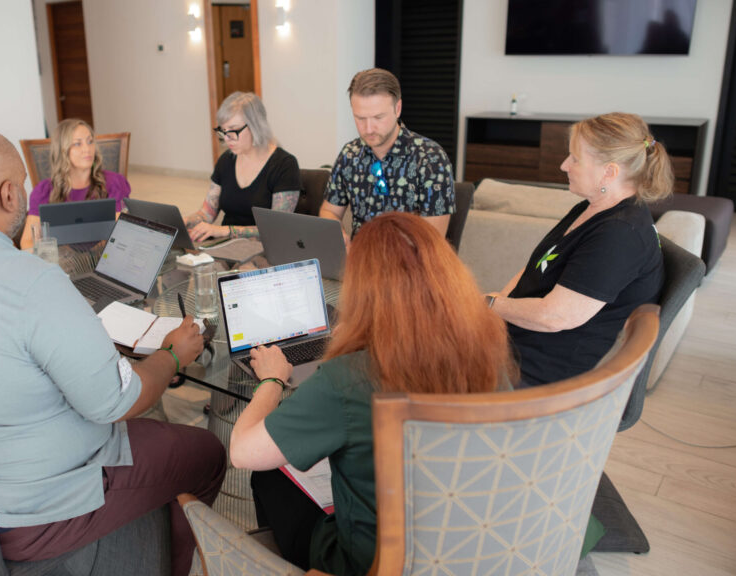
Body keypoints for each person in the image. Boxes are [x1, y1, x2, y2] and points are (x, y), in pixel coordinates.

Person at [0, 127, 226, 576]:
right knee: (207, 452)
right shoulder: (29, 280)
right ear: (6, 194)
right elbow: (117, 403)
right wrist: (173, 355)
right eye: (20, 187)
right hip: (43, 507)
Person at [229, 212, 514, 575]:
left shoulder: (347, 378)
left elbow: (241, 452)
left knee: (269, 473)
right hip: (466, 545)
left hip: (372, 563)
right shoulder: (488, 353)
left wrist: (271, 380)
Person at [487, 112, 670, 386]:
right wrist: (498, 306)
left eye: (574, 158)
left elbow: (555, 317)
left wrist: (489, 305)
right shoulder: (590, 208)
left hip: (539, 375)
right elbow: (536, 267)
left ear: (609, 171)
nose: (564, 165)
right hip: (517, 345)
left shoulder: (620, 234)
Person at [319, 68, 455, 246]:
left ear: (397, 108)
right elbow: (330, 211)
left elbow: (432, 240)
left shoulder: (430, 158)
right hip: (359, 263)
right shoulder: (350, 154)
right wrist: (339, 236)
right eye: (360, 118)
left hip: (409, 266)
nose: (368, 129)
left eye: (378, 117)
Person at [184, 91, 301, 242]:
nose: (227, 138)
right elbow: (207, 213)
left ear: (256, 126)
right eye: (223, 131)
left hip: (264, 248)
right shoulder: (226, 160)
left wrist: (225, 231)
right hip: (226, 245)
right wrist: (186, 220)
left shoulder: (284, 165)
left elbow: (276, 228)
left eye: (233, 130)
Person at [19, 119, 131, 250]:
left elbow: (118, 235)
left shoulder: (114, 183)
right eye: (77, 144)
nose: (87, 149)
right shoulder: (44, 190)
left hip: (102, 259)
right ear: (62, 150)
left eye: (90, 142)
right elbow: (26, 242)